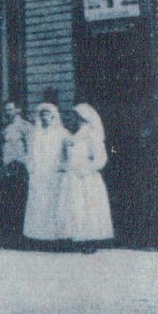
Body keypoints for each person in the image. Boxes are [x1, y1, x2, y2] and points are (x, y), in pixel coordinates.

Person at [57, 103, 114, 250]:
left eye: (77, 116)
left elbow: (101, 158)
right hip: (73, 176)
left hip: (86, 178)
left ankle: (90, 240)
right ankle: (77, 238)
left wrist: (87, 170)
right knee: (75, 207)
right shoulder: (73, 135)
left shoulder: (91, 135)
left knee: (88, 208)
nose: (74, 119)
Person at [21, 103, 66, 244]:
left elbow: (69, 150)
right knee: (39, 202)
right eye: (43, 115)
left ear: (53, 116)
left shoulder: (61, 133)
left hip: (54, 172)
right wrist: (31, 168)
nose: (45, 118)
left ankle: (55, 236)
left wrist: (63, 165)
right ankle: (38, 235)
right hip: (39, 173)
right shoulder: (36, 133)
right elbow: (30, 153)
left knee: (54, 203)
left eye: (48, 115)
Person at [0, 102, 33, 241]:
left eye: (11, 109)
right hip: (8, 168)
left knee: (20, 201)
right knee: (9, 201)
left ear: (17, 110)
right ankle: (11, 236)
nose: (8, 112)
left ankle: (21, 235)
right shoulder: (5, 128)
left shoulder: (25, 127)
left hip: (20, 168)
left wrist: (23, 162)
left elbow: (30, 148)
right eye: (6, 110)